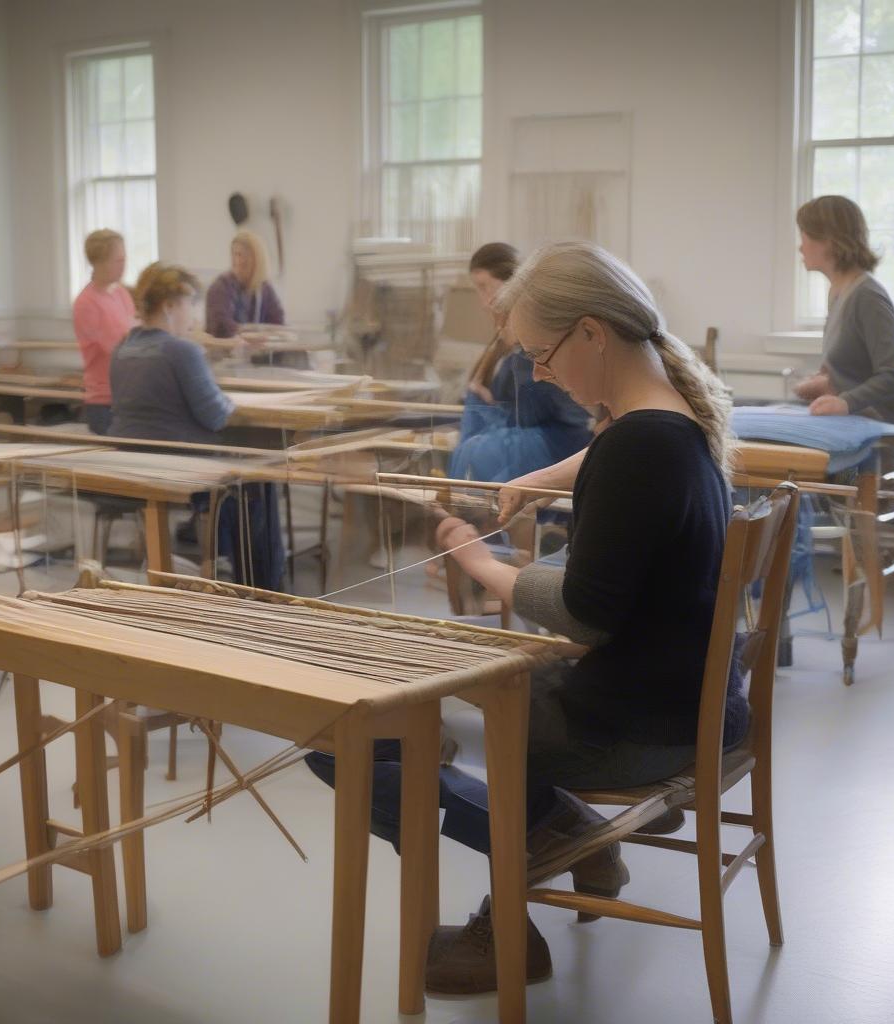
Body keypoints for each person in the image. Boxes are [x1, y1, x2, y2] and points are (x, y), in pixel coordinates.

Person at [306, 241, 749, 992]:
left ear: (590, 334)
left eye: (542, 356)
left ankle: (517, 915)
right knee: (417, 697)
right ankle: (569, 840)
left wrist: (482, 565)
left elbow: (584, 617)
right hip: (681, 701)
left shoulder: (637, 447)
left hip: (636, 724)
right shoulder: (674, 420)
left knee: (340, 733)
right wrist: (543, 478)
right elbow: (612, 463)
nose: (541, 374)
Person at [110, 262, 285, 590]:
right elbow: (217, 416)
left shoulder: (123, 348)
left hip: (131, 459)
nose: (193, 317)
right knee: (260, 480)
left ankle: (217, 563)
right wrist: (229, 400)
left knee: (241, 477)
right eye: (190, 306)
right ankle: (263, 589)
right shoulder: (180, 350)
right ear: (170, 306)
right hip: (177, 465)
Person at [448, 242, 593, 482]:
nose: (484, 302)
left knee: (480, 451)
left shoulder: (529, 351)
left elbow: (548, 415)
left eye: (484, 287)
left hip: (555, 456)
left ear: (512, 282)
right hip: (541, 458)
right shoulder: (506, 346)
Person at [793, 195, 894, 426]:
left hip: (887, 423)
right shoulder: (837, 291)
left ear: (829, 240)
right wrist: (826, 382)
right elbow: (853, 371)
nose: (800, 247)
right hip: (857, 417)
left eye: (805, 236)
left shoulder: (867, 296)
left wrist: (846, 402)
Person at [205, 230, 302, 368]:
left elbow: (278, 321)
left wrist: (276, 336)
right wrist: (252, 335)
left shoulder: (264, 289)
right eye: (235, 254)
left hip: (254, 362)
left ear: (257, 260)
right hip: (223, 362)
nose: (238, 261)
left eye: (244, 256)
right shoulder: (221, 287)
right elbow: (222, 327)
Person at [72, 229, 136, 435]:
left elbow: (135, 333)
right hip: (104, 401)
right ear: (99, 263)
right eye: (117, 261)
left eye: (124, 259)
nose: (123, 266)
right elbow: (118, 348)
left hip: (127, 394)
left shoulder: (121, 293)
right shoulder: (86, 303)